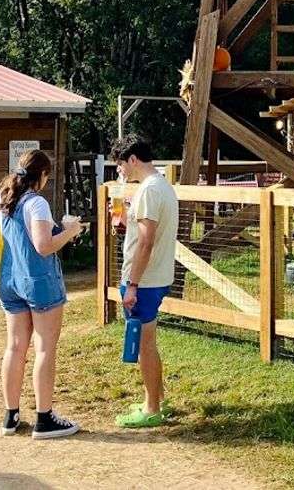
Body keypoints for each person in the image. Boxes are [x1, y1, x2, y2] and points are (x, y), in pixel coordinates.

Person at [0, 148, 83, 439]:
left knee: (15, 346)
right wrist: (70, 231)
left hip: (11, 278)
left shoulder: (3, 197)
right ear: (42, 175)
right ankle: (44, 418)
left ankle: (10, 416)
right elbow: (43, 246)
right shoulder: (37, 203)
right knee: (45, 347)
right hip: (40, 282)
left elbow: (15, 237)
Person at [109, 133, 179, 429]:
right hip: (157, 276)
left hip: (145, 281)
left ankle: (151, 408)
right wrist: (126, 220)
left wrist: (133, 284)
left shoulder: (149, 191)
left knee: (144, 344)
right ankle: (156, 399)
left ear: (133, 159)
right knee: (149, 342)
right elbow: (147, 232)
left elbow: (147, 242)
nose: (120, 171)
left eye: (121, 164)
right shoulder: (161, 186)